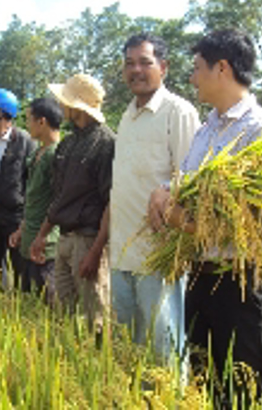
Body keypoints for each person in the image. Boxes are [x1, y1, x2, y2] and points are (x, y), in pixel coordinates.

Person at [148, 29, 262, 408]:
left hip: (239, 281)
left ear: (221, 68)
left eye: (196, 68)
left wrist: (183, 222)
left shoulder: (261, 132)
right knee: (209, 384)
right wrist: (163, 190)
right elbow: (188, 182)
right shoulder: (208, 128)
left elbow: (256, 223)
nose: (191, 78)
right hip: (200, 276)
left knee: (247, 392)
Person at [110, 33, 201, 363]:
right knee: (128, 352)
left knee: (164, 355)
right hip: (121, 255)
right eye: (129, 63)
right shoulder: (127, 115)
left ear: (163, 67)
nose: (136, 70)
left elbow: (191, 181)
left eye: (145, 62)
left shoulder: (178, 112)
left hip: (158, 257)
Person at [31, 74, 115, 342]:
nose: (61, 106)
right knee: (64, 312)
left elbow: (110, 202)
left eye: (64, 101)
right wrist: (42, 234)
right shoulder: (68, 144)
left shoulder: (106, 143)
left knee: (95, 316)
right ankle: (73, 360)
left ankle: (99, 369)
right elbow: (60, 197)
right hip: (65, 239)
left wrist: (96, 250)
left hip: (88, 240)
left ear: (77, 106)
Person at [0, 89, 36, 289]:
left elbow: (31, 181)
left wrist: (26, 217)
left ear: (0, 113)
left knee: (19, 264)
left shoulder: (25, 141)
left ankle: (21, 304)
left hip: (15, 215)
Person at [8, 98, 62, 303]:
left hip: (46, 241)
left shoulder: (55, 154)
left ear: (42, 122)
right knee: (27, 295)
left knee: (46, 296)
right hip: (30, 235)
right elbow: (33, 198)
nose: (27, 124)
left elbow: (56, 200)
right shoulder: (38, 153)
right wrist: (22, 229)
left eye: (29, 119)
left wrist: (44, 235)